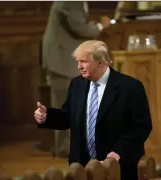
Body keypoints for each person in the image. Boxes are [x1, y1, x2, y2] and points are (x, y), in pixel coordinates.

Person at [35, 40, 152, 180]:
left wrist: (119, 152)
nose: (79, 66)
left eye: (84, 61)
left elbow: (142, 126)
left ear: (100, 63)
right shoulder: (77, 84)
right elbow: (68, 116)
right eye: (78, 62)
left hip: (119, 167)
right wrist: (46, 116)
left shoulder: (130, 87)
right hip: (82, 169)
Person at [41, 1, 111, 157]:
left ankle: (71, 146)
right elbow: (79, 29)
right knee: (64, 105)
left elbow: (76, 24)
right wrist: (100, 26)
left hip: (65, 59)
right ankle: (64, 148)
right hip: (61, 60)